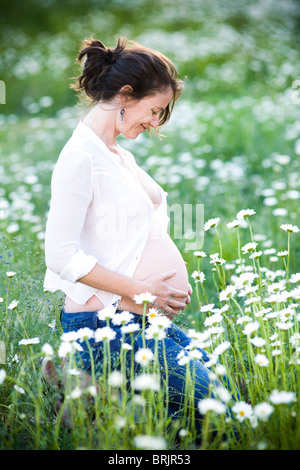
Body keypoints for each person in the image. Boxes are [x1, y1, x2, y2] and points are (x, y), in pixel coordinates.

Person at [42, 37, 229, 434]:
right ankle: (80, 386)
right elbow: (60, 255)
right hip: (106, 323)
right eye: (154, 110)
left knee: (226, 395)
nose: (156, 122)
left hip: (138, 318)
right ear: (125, 95)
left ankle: (79, 390)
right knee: (218, 413)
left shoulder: (116, 154)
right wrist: (145, 292)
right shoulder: (81, 157)